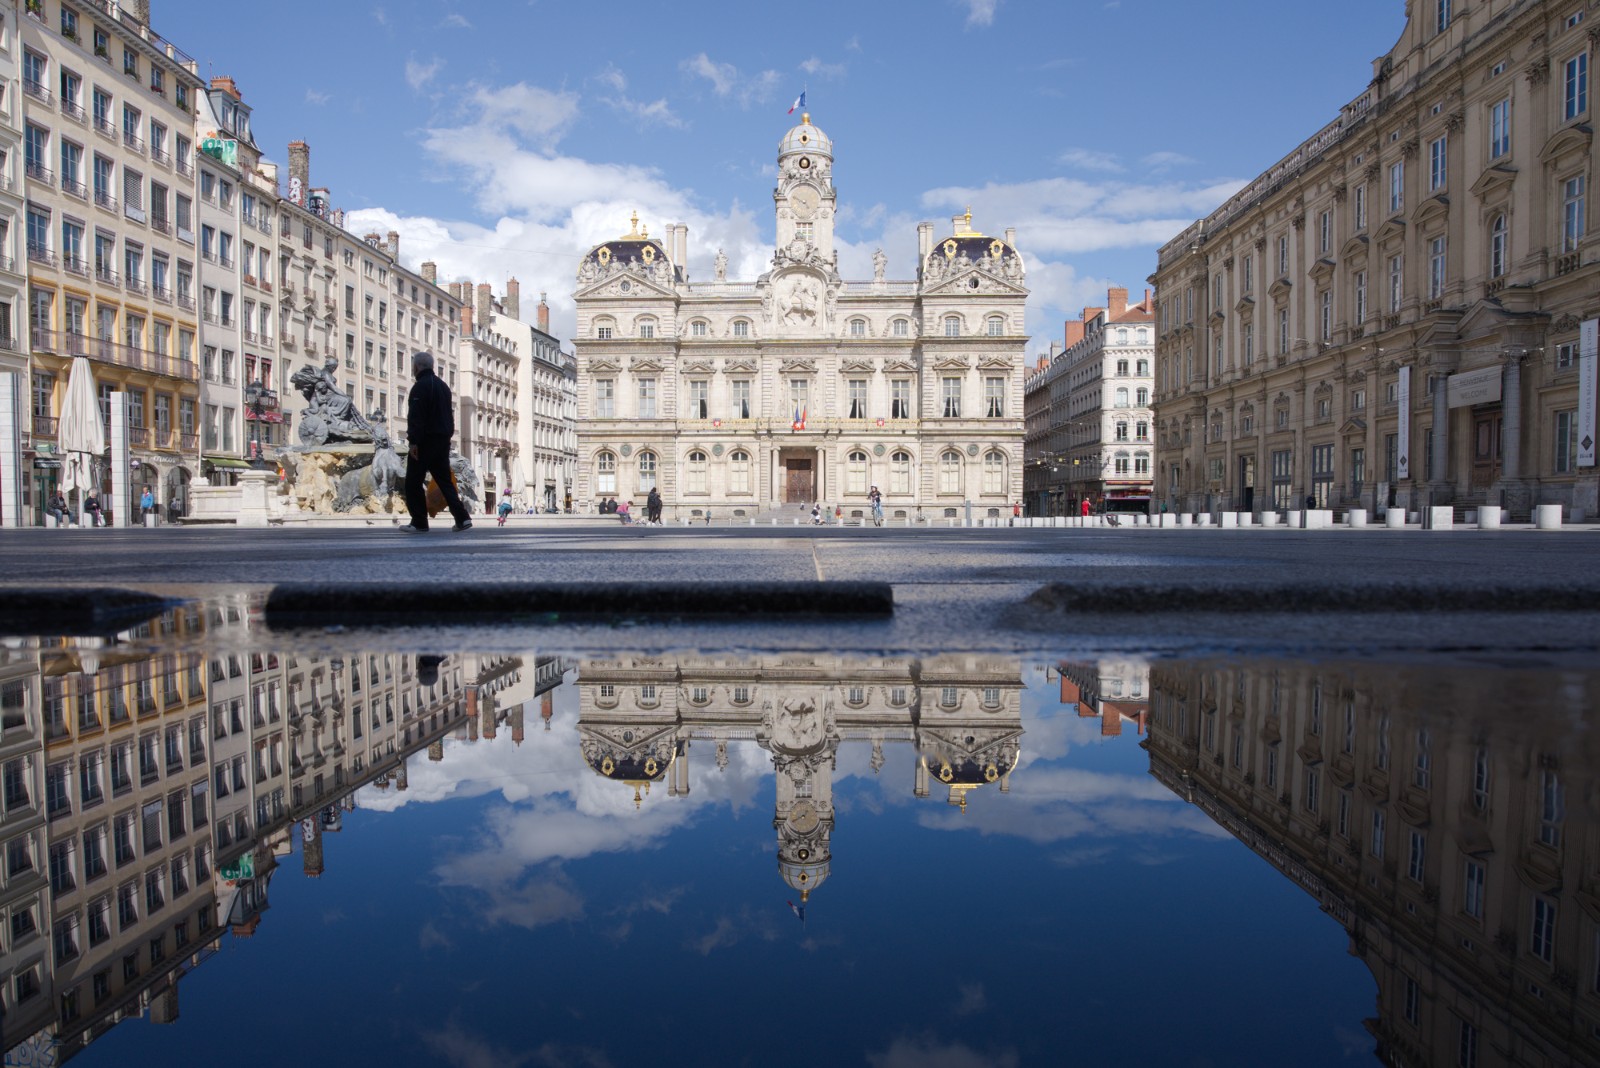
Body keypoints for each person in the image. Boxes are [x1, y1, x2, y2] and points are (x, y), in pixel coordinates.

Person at [400, 351, 473, 533]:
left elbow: (415, 417)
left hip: (424, 441)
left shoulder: (419, 387)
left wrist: (413, 442)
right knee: (445, 482)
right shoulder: (444, 387)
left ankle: (419, 522)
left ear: (416, 367)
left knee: (413, 482)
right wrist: (447, 437)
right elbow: (449, 416)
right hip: (442, 441)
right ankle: (462, 518)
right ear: (432, 366)